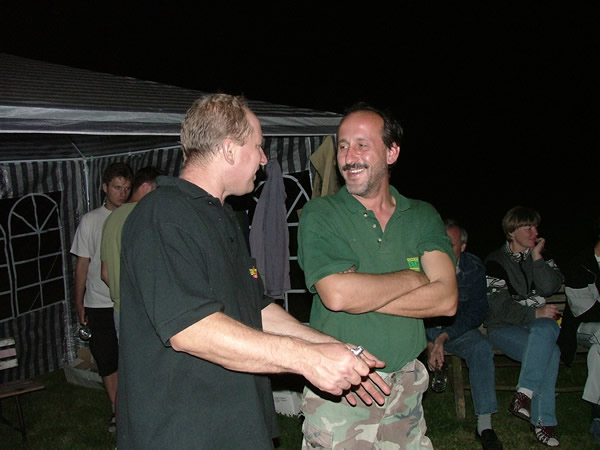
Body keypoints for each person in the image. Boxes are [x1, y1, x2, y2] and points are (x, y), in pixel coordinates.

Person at [117, 94, 391, 449]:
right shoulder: (163, 215)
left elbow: (257, 309)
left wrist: (332, 347)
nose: (263, 159)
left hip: (238, 426)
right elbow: (191, 329)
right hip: (182, 432)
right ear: (229, 150)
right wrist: (307, 359)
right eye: (258, 146)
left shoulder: (222, 218)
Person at [297, 102, 458, 449]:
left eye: (362, 144)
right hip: (343, 387)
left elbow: (446, 299)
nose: (349, 157)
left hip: (407, 386)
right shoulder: (321, 213)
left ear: (391, 152)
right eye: (343, 146)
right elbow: (337, 295)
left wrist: (361, 292)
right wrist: (414, 278)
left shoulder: (421, 215)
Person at [485, 206, 563, 447]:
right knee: (551, 351)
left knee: (546, 329)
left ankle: (524, 394)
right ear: (511, 231)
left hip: (539, 327)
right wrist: (534, 312)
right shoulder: (495, 262)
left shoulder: (541, 256)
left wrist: (537, 258)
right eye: (528, 227)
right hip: (504, 328)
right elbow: (500, 308)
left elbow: (549, 287)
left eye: (535, 227)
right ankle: (543, 422)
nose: (534, 232)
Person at [425, 219, 502, 450]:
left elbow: (478, 311)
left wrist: (444, 336)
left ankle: (485, 426)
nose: (444, 249)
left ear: (463, 247)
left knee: (481, 348)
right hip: (421, 329)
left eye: (450, 244)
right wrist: (429, 340)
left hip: (455, 330)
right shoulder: (421, 265)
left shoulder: (473, 268)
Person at [70, 161, 133, 433]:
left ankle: (130, 409)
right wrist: (79, 301)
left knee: (129, 357)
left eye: (127, 188)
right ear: (105, 187)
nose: (122, 193)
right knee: (107, 360)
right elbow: (82, 264)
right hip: (98, 302)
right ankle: (116, 411)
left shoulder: (133, 216)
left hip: (127, 301)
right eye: (117, 187)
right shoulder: (90, 221)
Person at [100, 165, 165, 336]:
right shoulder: (146, 214)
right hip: (144, 311)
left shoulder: (111, 218)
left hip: (120, 311)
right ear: (146, 187)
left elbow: (105, 273)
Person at [557, 224, 600, 442]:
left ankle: (597, 415)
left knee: (598, 351)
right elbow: (586, 311)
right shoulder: (580, 264)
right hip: (581, 327)